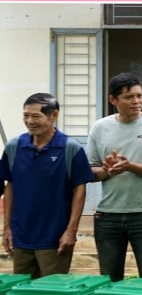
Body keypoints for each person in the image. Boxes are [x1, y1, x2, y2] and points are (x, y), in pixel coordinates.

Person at [86, 72, 142, 281]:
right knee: (108, 278)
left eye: (139, 96)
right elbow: (89, 172)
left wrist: (130, 166)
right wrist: (108, 170)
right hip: (107, 215)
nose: (136, 101)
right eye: (129, 97)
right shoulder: (100, 127)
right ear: (113, 100)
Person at [1, 93, 95, 278]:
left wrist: (71, 231)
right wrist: (7, 227)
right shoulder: (14, 147)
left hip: (55, 239)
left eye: (36, 116)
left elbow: (80, 190)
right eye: (26, 115)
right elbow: (10, 186)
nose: (29, 121)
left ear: (54, 115)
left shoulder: (70, 148)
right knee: (21, 293)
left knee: (51, 293)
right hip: (21, 237)